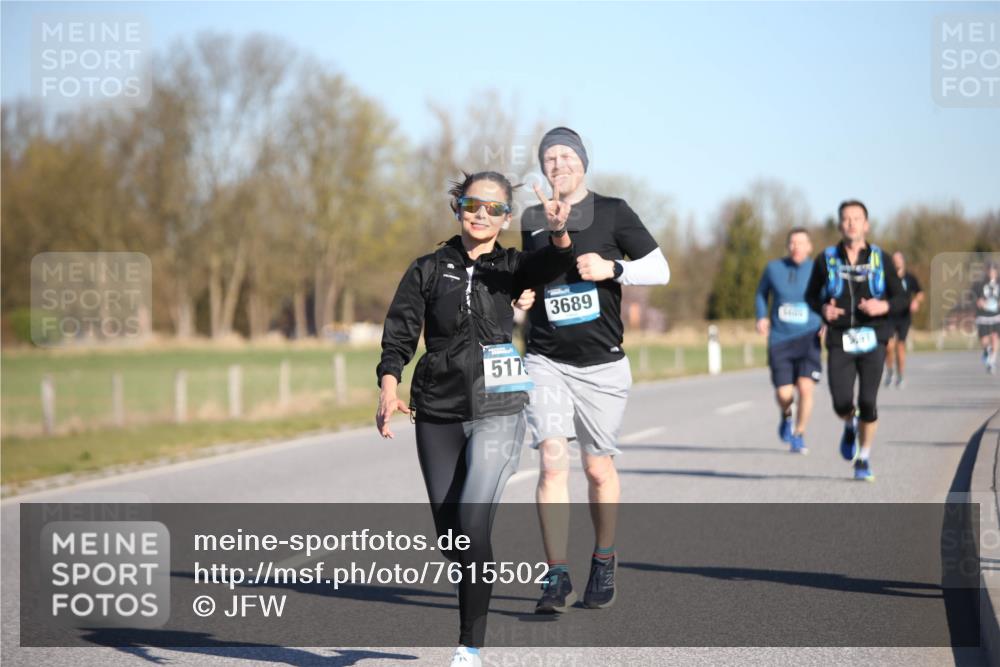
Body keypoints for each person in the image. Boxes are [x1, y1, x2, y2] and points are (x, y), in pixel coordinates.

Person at [375, 171, 573, 667]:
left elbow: (554, 261)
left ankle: (469, 645)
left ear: (506, 217)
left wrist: (559, 232)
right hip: (437, 408)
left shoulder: (512, 267)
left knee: (470, 522)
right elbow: (399, 331)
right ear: (457, 208)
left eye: (493, 208)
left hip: (498, 408)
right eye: (472, 204)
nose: (481, 214)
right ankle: (475, 576)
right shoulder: (426, 268)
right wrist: (388, 384)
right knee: (450, 537)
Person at [515, 127, 670, 613]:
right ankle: (556, 575)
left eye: (566, 155)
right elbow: (535, 276)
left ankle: (603, 558)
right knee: (551, 460)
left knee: (598, 469)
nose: (558, 163)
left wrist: (613, 269)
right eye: (549, 157)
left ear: (583, 162)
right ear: (542, 168)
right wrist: (525, 293)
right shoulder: (532, 217)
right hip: (545, 358)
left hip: (602, 364)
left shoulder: (615, 211)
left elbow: (660, 269)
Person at [805, 200, 907, 481]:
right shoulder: (825, 259)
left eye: (856, 218)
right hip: (839, 339)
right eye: (846, 219)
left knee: (868, 401)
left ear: (866, 224)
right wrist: (823, 309)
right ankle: (849, 425)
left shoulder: (880, 258)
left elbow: (902, 297)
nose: (851, 223)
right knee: (841, 402)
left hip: (874, 337)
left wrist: (883, 306)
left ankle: (863, 458)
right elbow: (811, 296)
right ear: (839, 225)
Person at [755, 227, 823, 454]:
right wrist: (761, 317)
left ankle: (799, 433)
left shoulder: (818, 270)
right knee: (784, 393)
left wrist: (826, 322)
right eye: (793, 243)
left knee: (805, 388)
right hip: (780, 338)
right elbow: (760, 294)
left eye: (802, 243)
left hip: (809, 336)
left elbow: (829, 298)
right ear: (787, 246)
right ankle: (786, 414)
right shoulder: (774, 268)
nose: (797, 247)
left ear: (810, 246)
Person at [883, 251, 924, 388]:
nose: (897, 262)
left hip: (904, 317)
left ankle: (900, 376)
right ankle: (889, 372)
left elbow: (920, 293)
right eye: (894, 260)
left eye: (899, 259)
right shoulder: (887, 278)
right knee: (889, 346)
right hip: (889, 316)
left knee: (900, 347)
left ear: (903, 261)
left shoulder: (909, 278)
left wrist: (916, 302)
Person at [974, 262, 1000, 374]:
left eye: (994, 271)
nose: (992, 273)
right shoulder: (979, 284)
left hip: (996, 315)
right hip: (983, 316)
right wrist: (978, 302)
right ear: (986, 272)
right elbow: (974, 297)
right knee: (984, 340)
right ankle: (987, 350)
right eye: (990, 271)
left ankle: (992, 359)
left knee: (995, 337)